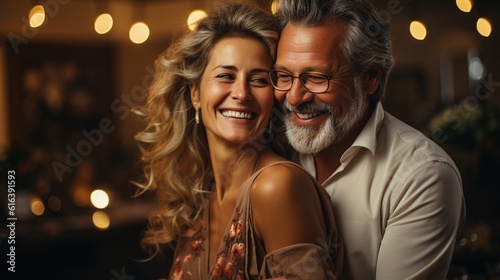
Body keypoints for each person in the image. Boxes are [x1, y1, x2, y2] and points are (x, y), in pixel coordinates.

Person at [134, 3, 342, 279]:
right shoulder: (202, 196)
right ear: (195, 94)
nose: (241, 93)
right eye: (226, 76)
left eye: (259, 80)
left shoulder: (277, 187)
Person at [270, 0, 466, 279]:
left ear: (370, 76)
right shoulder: (271, 149)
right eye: (283, 76)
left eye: (316, 77)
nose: (293, 97)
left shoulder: (422, 175)